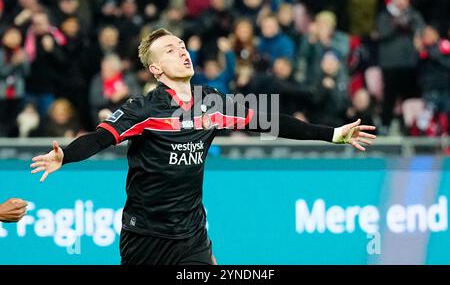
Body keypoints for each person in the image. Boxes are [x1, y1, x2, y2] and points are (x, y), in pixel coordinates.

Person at [30, 28, 376, 265]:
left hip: (192, 236)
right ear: (155, 68)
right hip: (144, 237)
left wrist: (331, 134)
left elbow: (271, 120)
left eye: (182, 46)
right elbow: (99, 138)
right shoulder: (143, 109)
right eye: (170, 50)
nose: (181, 52)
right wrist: (66, 155)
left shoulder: (211, 102)